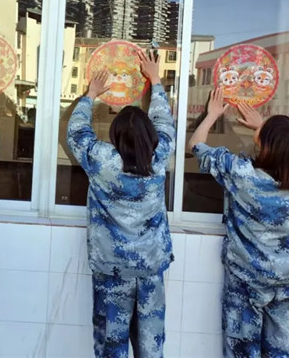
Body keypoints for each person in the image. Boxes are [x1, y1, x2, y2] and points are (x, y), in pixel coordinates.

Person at [188, 88, 289, 358]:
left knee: (242, 353)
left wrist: (212, 115)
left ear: (267, 145)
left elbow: (196, 145)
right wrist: (265, 128)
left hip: (247, 282)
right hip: (288, 282)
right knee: (281, 353)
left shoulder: (242, 174)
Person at [66, 51, 176, 358]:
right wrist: (155, 79)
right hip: (149, 267)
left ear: (114, 134)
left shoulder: (102, 161)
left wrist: (91, 95)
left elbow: (76, 132)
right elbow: (165, 124)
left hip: (112, 267)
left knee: (111, 347)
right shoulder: (159, 157)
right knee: (150, 346)